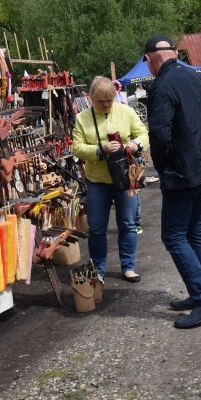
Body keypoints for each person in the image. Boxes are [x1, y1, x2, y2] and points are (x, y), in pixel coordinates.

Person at [144, 33, 201, 329]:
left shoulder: (163, 85)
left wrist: (164, 167)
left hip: (183, 172)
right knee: (194, 233)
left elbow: (160, 135)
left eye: (148, 64)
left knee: (175, 236)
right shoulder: (193, 77)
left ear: (151, 58)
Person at [72, 76, 148, 283]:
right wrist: (100, 149)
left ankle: (129, 267)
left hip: (124, 179)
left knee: (128, 224)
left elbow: (143, 134)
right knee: (96, 228)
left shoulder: (126, 111)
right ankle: (98, 268)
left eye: (109, 100)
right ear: (91, 98)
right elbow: (76, 147)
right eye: (100, 101)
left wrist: (135, 144)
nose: (105, 105)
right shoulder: (82, 118)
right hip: (97, 181)